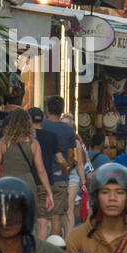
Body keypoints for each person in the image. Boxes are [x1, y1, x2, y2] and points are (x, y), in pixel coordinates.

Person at [0, 108, 54, 227]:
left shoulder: (4, 142)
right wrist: (49, 192)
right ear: (28, 123)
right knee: (27, 221)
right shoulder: (34, 143)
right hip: (27, 184)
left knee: (8, 220)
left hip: (7, 184)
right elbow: (41, 171)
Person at [44, 96, 85, 237]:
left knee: (41, 218)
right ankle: (54, 247)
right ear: (61, 111)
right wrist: (65, 169)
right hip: (61, 178)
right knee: (57, 216)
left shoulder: (41, 126)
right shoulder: (68, 130)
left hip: (41, 177)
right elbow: (70, 156)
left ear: (47, 109)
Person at [29, 107, 67, 241]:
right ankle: (40, 252)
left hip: (27, 181)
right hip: (44, 182)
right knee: (42, 220)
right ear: (43, 120)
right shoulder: (51, 136)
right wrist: (63, 171)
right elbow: (60, 159)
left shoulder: (25, 138)